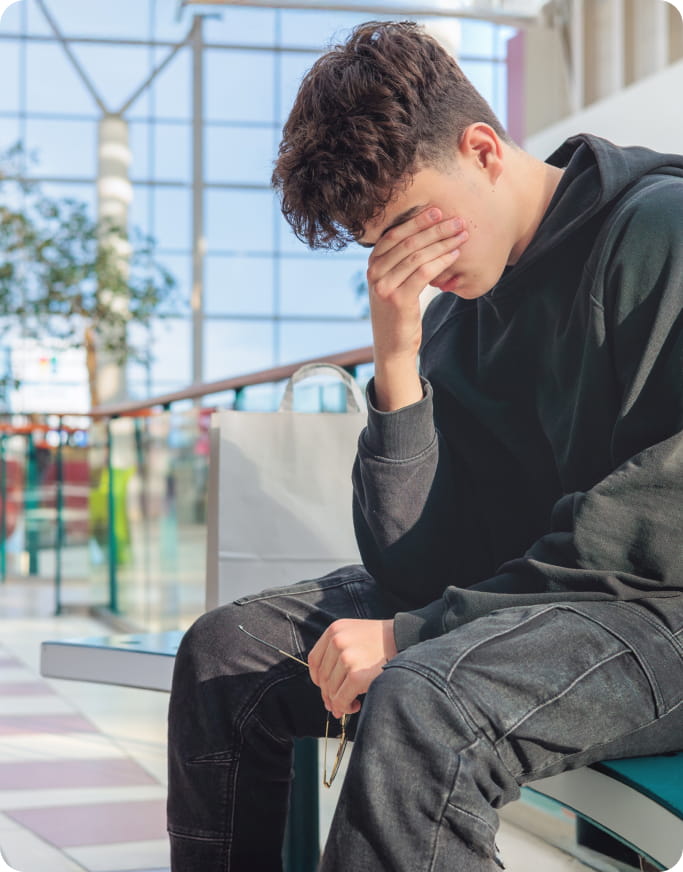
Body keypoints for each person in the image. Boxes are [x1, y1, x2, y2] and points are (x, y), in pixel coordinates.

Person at [167, 20, 683, 871]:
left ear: (482, 149)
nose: (406, 263)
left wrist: (416, 636)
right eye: (380, 245)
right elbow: (414, 565)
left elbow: (660, 529)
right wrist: (398, 367)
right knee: (229, 653)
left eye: (413, 223)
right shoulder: (451, 316)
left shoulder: (659, 231)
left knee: (423, 699)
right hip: (540, 610)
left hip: (662, 610)